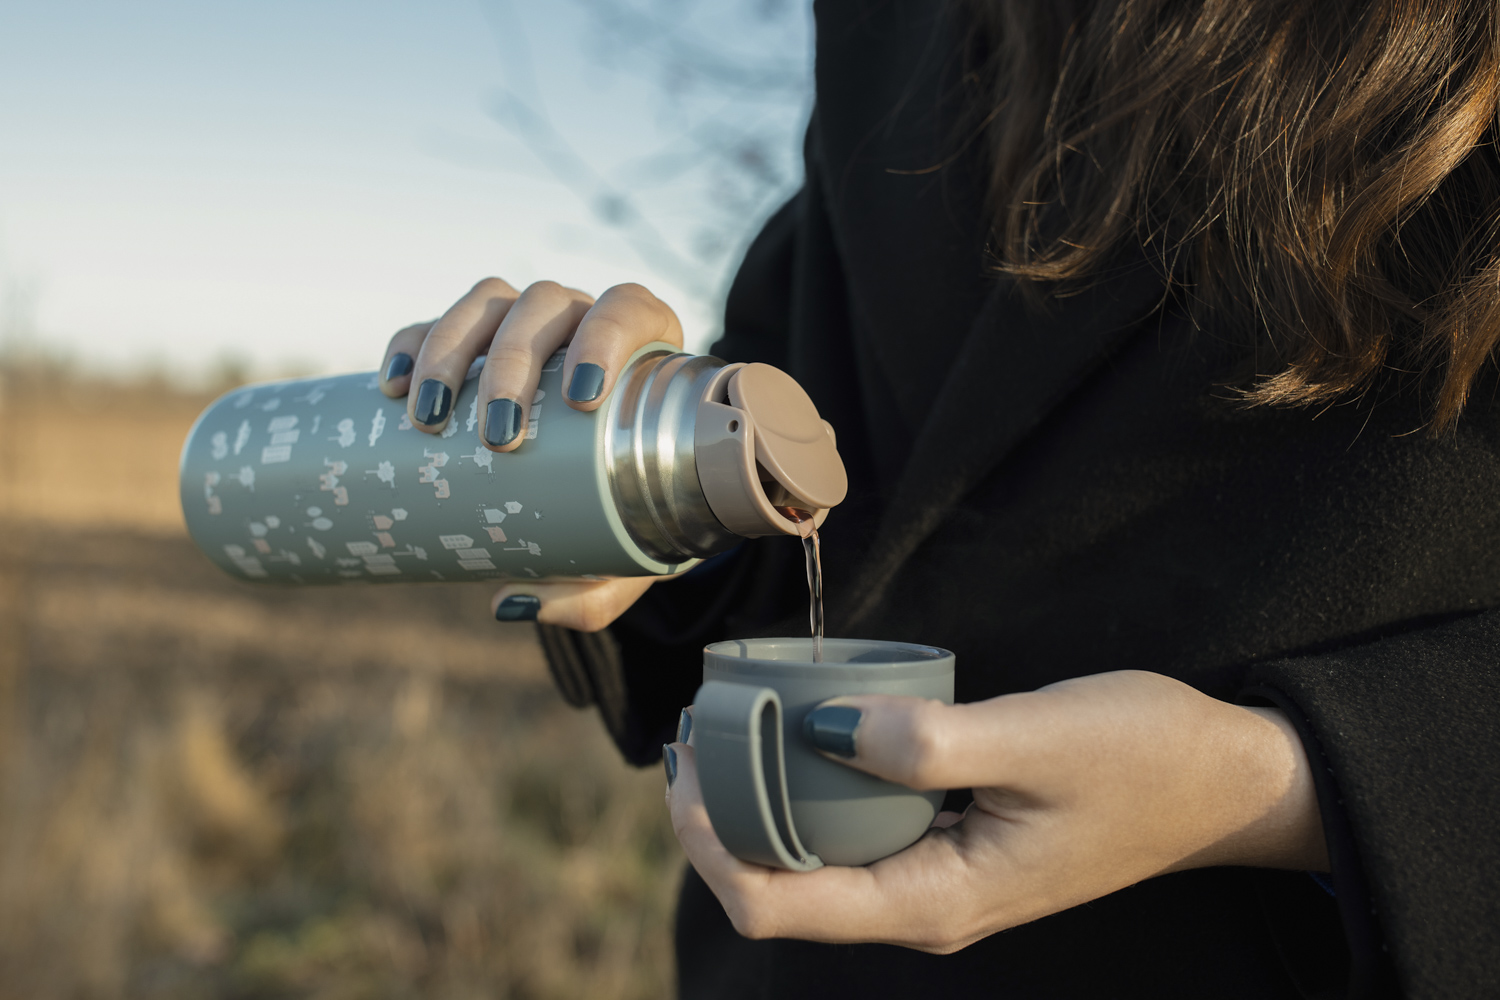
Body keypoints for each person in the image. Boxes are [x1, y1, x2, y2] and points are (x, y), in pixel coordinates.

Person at [378, 2, 1500, 996]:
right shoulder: (893, 29)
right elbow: (821, 487)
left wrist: (1279, 781)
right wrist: (624, 478)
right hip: (773, 960)